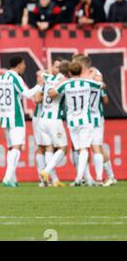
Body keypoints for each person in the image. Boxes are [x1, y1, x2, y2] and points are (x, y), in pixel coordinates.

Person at [0, 57, 43, 187]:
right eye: (23, 64)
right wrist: (40, 85)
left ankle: (12, 179)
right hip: (15, 116)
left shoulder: (0, 78)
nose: (24, 67)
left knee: (11, 148)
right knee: (17, 147)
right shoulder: (15, 78)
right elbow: (27, 94)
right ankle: (6, 178)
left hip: (4, 117)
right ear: (18, 65)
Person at [46, 61, 103, 186]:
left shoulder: (66, 84)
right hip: (85, 120)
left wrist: (51, 86)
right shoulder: (87, 82)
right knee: (84, 149)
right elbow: (101, 85)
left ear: (70, 73)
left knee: (78, 149)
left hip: (72, 121)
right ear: (81, 71)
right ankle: (79, 177)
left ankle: (80, 177)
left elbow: (52, 93)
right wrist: (91, 77)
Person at [73, 55, 117, 186]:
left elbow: (102, 90)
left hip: (94, 117)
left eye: (76, 64)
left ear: (82, 64)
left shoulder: (92, 75)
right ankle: (96, 177)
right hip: (86, 117)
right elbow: (104, 96)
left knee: (95, 147)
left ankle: (99, 178)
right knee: (89, 147)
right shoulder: (93, 76)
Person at [37, 60, 69, 187]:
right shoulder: (64, 81)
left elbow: (40, 73)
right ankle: (46, 171)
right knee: (63, 148)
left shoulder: (48, 78)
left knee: (48, 148)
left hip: (42, 118)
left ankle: (48, 180)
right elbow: (53, 93)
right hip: (54, 120)